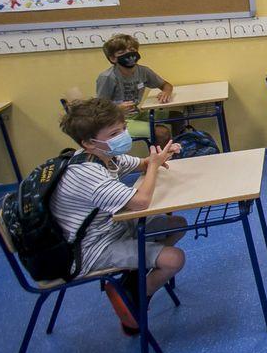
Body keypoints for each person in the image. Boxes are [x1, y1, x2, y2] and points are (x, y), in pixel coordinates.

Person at [53, 98, 186, 335]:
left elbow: (142, 164)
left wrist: (158, 158)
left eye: (123, 128)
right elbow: (141, 202)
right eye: (115, 133)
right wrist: (154, 167)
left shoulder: (105, 157)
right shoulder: (87, 173)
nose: (123, 135)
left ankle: (135, 273)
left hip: (112, 229)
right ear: (88, 142)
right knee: (174, 259)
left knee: (177, 224)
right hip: (91, 249)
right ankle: (135, 294)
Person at [95, 33, 175, 146]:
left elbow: (166, 85)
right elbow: (98, 109)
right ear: (113, 58)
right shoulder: (107, 77)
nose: (129, 54)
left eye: (132, 50)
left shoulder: (143, 71)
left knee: (177, 116)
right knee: (162, 133)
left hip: (137, 113)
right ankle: (163, 161)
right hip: (117, 121)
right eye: (122, 52)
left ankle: (180, 151)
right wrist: (117, 109)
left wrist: (166, 92)